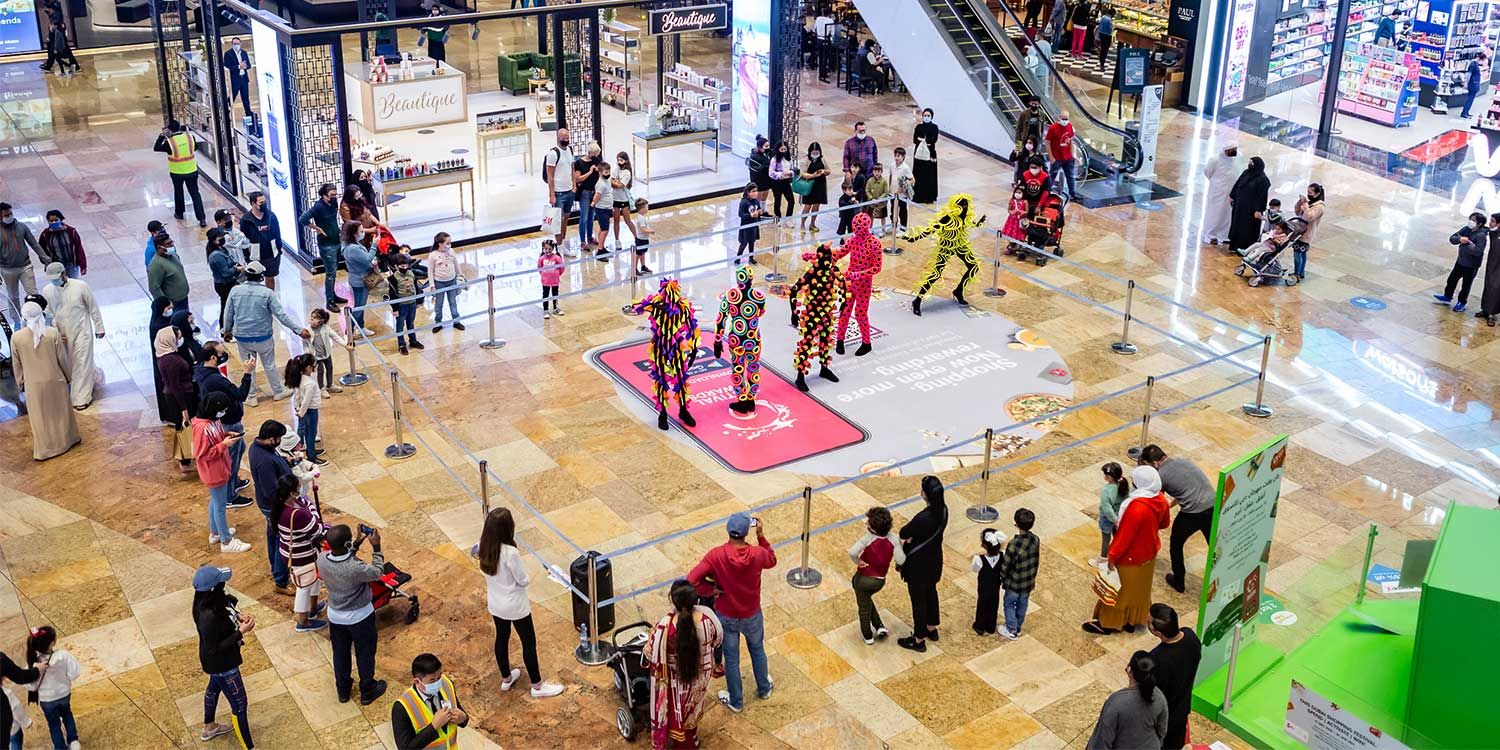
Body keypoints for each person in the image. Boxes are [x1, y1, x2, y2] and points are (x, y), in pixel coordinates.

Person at [686, 512, 775, 713]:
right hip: (752, 613)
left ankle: (736, 701)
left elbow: (691, 580)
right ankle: (764, 688)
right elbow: (772, 559)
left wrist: (710, 591)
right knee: (757, 650)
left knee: (732, 659)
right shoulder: (758, 554)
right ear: (747, 532)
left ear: (728, 531)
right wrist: (761, 535)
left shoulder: (716, 555)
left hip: (726, 614)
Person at [477, 508, 566, 699]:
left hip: (496, 603)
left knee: (502, 638)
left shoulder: (483, 547)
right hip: (515, 606)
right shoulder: (510, 553)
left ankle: (506, 679)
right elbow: (523, 580)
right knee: (528, 643)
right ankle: (537, 686)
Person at [1083, 465, 1171, 634]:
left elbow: (1124, 537)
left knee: (1119, 593)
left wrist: (1112, 557)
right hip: (1149, 553)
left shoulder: (1136, 507)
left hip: (1130, 557)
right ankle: (1132, 620)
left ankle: (1109, 623)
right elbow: (1165, 523)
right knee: (1139, 590)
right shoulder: (1160, 499)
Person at [646, 580, 722, 749]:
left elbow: (650, 653)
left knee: (677, 715)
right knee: (694, 709)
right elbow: (718, 640)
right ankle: (693, 737)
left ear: (673, 600)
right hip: (702, 675)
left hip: (676, 681)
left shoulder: (665, 626)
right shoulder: (708, 616)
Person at [317, 524, 388, 705]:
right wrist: (376, 547)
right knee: (364, 653)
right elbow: (377, 572)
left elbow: (343, 559)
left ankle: (343, 690)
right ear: (347, 543)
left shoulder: (322, 559)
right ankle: (367, 690)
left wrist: (356, 542)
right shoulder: (356, 568)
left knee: (340, 654)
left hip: (335, 615)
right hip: (359, 617)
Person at [222, 260, 311, 400]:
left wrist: (226, 330)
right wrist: (298, 330)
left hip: (242, 337)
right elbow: (281, 315)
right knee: (269, 365)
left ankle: (250, 397)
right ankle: (277, 391)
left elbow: (228, 313)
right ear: (261, 276)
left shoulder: (235, 291)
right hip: (263, 337)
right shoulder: (267, 293)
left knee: (248, 367)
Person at [191, 565, 256, 749]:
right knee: (240, 705)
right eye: (221, 582)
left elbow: (226, 604)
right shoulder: (207, 617)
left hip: (217, 664)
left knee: (214, 688)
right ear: (214, 589)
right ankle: (248, 747)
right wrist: (240, 632)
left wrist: (238, 615)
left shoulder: (208, 601)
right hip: (223, 664)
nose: (224, 584)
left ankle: (209, 727)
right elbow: (214, 649)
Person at [1136, 445, 1215, 594]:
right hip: (1213, 504)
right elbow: (1184, 488)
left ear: (1154, 463)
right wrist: (1171, 505)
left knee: (1176, 543)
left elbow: (1155, 501)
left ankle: (1178, 581)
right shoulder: (1183, 462)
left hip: (1193, 512)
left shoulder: (1160, 475)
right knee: (1214, 545)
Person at [11, 299, 81, 461]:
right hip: (56, 380)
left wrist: (21, 383)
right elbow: (62, 358)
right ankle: (68, 440)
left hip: (33, 385)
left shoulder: (17, 338)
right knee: (61, 413)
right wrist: (68, 376)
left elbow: (17, 364)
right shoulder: (52, 333)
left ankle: (45, 450)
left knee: (41, 418)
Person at [193, 341, 255, 499]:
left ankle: (233, 480)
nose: (224, 354)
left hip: (227, 420)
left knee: (240, 448)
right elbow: (241, 395)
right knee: (232, 457)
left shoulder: (203, 371)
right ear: (213, 357)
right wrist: (247, 373)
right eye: (221, 352)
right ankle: (230, 494)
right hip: (229, 422)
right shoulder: (215, 380)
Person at [39, 262, 103, 410]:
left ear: (63, 274)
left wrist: (99, 327)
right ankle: (90, 379)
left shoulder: (80, 286)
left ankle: (81, 398)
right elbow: (48, 313)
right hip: (62, 334)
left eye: (56, 277)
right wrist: (54, 332)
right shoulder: (48, 290)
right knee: (71, 364)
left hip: (82, 330)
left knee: (82, 361)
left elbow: (93, 307)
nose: (54, 281)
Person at [194, 391, 250, 553]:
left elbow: (215, 438)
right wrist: (223, 445)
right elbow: (202, 454)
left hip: (220, 468)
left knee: (215, 501)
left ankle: (216, 532)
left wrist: (225, 436)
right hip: (214, 472)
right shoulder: (202, 427)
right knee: (220, 506)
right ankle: (226, 541)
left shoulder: (212, 420)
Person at [271, 474, 328, 633]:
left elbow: (306, 504)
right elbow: (317, 528)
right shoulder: (296, 514)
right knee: (304, 586)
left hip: (299, 550)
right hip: (301, 555)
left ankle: (313, 607)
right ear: (291, 492)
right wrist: (312, 509)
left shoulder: (282, 504)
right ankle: (302, 621)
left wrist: (309, 508)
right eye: (297, 487)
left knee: (314, 579)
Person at [898, 476, 949, 652]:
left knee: (918, 601)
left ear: (925, 495)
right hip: (935, 561)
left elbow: (904, 532)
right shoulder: (944, 511)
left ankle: (918, 639)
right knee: (931, 591)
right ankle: (931, 627)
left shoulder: (923, 518)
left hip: (918, 565)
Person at [248, 420, 295, 595]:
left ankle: (276, 570)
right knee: (282, 541)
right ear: (270, 439)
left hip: (271, 504)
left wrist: (285, 462)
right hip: (274, 506)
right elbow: (271, 490)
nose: (281, 441)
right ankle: (281, 580)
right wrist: (288, 502)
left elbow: (275, 465)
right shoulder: (264, 461)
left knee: (273, 535)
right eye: (279, 438)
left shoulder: (259, 448)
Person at [1086, 651, 1169, 749]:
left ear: (1129, 670)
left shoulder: (1116, 702)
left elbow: (1102, 740)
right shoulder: (1159, 695)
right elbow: (1162, 730)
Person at [1147, 604, 1202, 750]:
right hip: (1182, 710)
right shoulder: (1191, 637)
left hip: (1163, 720)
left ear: (1157, 632)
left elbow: (1153, 695)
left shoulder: (1157, 659)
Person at [848, 506, 905, 644]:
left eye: (868, 522)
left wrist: (859, 561)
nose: (866, 523)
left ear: (873, 528)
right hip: (880, 581)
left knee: (863, 608)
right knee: (866, 599)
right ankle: (880, 626)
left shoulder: (868, 537)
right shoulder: (894, 539)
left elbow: (852, 552)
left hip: (863, 579)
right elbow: (901, 559)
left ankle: (867, 635)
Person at [393, 654, 470, 750]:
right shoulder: (402, 707)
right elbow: (405, 748)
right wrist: (433, 727)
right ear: (417, 681)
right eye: (432, 680)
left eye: (439, 676)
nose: (438, 683)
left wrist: (463, 718)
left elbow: (460, 712)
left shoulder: (447, 684)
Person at [155, 322, 198, 472]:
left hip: (178, 395)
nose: (179, 340)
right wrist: (184, 408)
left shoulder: (164, 354)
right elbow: (175, 386)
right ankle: (185, 461)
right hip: (180, 397)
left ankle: (186, 458)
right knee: (184, 428)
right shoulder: (171, 361)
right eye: (177, 338)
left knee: (184, 428)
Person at [299, 183, 346, 309]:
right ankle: (330, 300)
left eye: (335, 195)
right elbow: (303, 219)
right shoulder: (318, 207)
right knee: (330, 273)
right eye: (331, 195)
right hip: (326, 245)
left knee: (334, 271)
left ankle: (333, 294)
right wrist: (316, 228)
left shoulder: (334, 203)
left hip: (336, 240)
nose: (334, 197)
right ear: (324, 195)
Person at [154, 120, 207, 227]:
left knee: (178, 192)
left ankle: (179, 213)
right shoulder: (189, 137)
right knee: (195, 194)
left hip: (177, 172)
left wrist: (162, 135)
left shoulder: (170, 142)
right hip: (192, 170)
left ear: (169, 129)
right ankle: (201, 218)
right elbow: (195, 147)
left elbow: (156, 148)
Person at [1437, 214, 1491, 312]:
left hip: (1471, 266)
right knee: (1452, 279)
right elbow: (1452, 238)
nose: (1470, 221)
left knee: (1466, 285)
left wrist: (1467, 243)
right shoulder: (1466, 229)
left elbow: (1478, 251)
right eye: (1470, 219)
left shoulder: (1481, 236)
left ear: (1479, 224)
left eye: (1473, 220)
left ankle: (1462, 302)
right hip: (1460, 261)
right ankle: (1447, 296)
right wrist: (1459, 239)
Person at [0, 202, 46, 319]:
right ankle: (16, 320)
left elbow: (34, 244)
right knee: (13, 296)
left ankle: (36, 316)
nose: (9, 217)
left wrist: (46, 259)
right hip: (7, 269)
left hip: (25, 266)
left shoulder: (21, 227)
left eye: (10, 214)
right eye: (6, 215)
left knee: (33, 293)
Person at [1000, 507, 1040, 639]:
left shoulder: (1014, 544)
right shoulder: (1035, 539)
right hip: (1028, 581)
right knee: (1023, 604)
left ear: (1016, 524)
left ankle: (1011, 629)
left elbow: (1006, 565)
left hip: (1014, 583)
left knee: (1009, 604)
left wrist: (1002, 577)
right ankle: (1018, 626)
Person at [543, 129, 578, 254]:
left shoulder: (570, 150)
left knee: (566, 218)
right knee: (558, 220)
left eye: (567, 138)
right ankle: (559, 245)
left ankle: (562, 242)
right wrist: (551, 194)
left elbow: (572, 168)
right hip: (558, 193)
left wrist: (574, 185)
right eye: (563, 138)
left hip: (569, 191)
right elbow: (550, 176)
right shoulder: (553, 154)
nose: (566, 140)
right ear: (558, 138)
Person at [286, 353, 324, 467]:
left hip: (306, 411)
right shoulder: (310, 384)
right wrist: (301, 413)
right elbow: (306, 401)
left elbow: (298, 396)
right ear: (308, 367)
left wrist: (298, 409)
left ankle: (311, 450)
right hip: (311, 411)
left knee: (309, 432)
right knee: (311, 433)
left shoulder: (300, 378)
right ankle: (311, 456)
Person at [1227, 156, 1270, 254]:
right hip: (1239, 206)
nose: (1250, 165)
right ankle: (1235, 246)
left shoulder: (1263, 180)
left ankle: (1246, 249)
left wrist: (1259, 210)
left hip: (1251, 210)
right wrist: (1232, 195)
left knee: (1247, 228)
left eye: (1252, 163)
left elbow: (1263, 197)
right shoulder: (1246, 173)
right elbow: (1238, 184)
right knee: (1237, 225)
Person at [239, 192, 283, 290]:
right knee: (253, 279)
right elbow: (243, 240)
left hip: (271, 254)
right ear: (253, 203)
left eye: (264, 202)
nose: (264, 204)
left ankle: (270, 297)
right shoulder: (246, 220)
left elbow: (277, 234)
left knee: (270, 277)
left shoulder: (271, 216)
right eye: (260, 203)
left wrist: (279, 249)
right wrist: (246, 256)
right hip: (255, 255)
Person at [307, 308, 351, 397]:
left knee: (329, 368)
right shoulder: (308, 330)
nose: (311, 319)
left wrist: (345, 345)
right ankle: (321, 388)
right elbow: (305, 344)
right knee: (320, 371)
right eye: (311, 317)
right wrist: (308, 356)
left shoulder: (326, 328)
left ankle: (330, 385)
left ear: (321, 321)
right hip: (316, 357)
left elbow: (335, 337)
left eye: (314, 318)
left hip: (326, 354)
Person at [1201, 144, 1238, 245]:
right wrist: (1216, 182)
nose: (1234, 151)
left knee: (1227, 214)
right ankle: (1210, 235)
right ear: (1227, 150)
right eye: (1232, 150)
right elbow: (1207, 172)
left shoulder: (1235, 159)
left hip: (1230, 192)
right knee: (1215, 213)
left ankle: (1224, 235)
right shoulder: (1215, 159)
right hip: (1217, 191)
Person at [341, 222, 374, 335]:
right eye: (361, 231)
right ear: (354, 233)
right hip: (360, 281)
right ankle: (349, 331)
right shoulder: (353, 248)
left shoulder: (348, 245)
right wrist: (374, 245)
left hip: (357, 278)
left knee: (359, 305)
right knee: (359, 307)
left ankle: (361, 326)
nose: (363, 233)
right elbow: (367, 259)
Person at [971, 528, 1006, 637]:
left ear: (984, 545)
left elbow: (975, 569)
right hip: (995, 586)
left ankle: (980, 626)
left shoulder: (979, 559)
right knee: (993, 605)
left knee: (982, 604)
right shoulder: (1003, 556)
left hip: (984, 587)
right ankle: (991, 626)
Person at [386, 253, 422, 354]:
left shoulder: (411, 273)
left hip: (412, 303)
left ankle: (413, 340)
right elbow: (392, 294)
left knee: (411, 323)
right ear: (397, 266)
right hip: (402, 305)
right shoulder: (393, 278)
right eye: (402, 266)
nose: (405, 268)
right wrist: (395, 309)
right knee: (400, 325)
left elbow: (416, 286)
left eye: (406, 265)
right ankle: (401, 344)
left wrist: (419, 300)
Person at [1093, 462, 1128, 566]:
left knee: (1106, 538)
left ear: (1109, 477)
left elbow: (1107, 508)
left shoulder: (1106, 490)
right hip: (1120, 517)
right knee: (1117, 538)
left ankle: (1103, 558)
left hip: (1108, 519)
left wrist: (1114, 519)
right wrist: (1118, 520)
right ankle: (1117, 556)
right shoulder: (1124, 486)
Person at [207, 229, 242, 329]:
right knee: (226, 308)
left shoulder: (221, 249)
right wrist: (237, 269)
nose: (223, 239)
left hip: (229, 283)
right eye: (220, 237)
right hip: (224, 285)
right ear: (214, 240)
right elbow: (225, 273)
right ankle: (225, 329)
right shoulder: (216, 255)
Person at [147, 232, 190, 313]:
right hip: (173, 304)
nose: (172, 245)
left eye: (172, 242)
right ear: (159, 247)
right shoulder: (156, 265)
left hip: (183, 298)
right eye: (168, 244)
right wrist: (166, 304)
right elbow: (154, 288)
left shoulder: (173, 255)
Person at [37, 210, 84, 279]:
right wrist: (46, 261)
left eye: (56, 220)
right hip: (56, 265)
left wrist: (83, 265)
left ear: (61, 219)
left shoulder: (71, 231)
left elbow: (78, 248)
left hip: (71, 264)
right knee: (60, 286)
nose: (54, 222)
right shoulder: (45, 234)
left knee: (72, 284)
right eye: (51, 221)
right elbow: (41, 249)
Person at [1292, 182, 1324, 279]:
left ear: (1317, 194)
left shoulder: (1319, 207)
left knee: (1298, 253)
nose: (1308, 195)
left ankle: (1297, 273)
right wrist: (1299, 204)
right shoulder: (1310, 203)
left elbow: (1309, 217)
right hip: (1300, 231)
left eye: (1310, 193)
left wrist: (1305, 206)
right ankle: (1301, 272)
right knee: (1302, 253)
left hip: (1306, 233)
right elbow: (1298, 213)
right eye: (1307, 192)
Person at [799, 141, 831, 231]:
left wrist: (824, 172)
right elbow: (802, 174)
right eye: (813, 153)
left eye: (817, 153)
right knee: (807, 206)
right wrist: (813, 175)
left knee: (816, 206)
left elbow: (828, 170)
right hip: (809, 185)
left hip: (820, 185)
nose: (815, 154)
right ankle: (802, 224)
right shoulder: (806, 160)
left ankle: (812, 224)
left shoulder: (822, 159)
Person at [611, 152, 640, 250]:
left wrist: (615, 183)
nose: (619, 162)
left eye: (621, 160)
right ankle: (617, 240)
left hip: (624, 200)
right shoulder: (615, 170)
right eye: (618, 160)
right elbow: (611, 181)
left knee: (628, 220)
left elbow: (620, 185)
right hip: (615, 199)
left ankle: (637, 238)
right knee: (616, 221)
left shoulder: (627, 173)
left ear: (626, 161)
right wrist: (615, 182)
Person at [1044, 110, 1076, 198]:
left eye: (1066, 119)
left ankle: (1073, 194)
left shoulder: (1070, 126)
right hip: (1057, 158)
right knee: (1052, 177)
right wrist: (1051, 157)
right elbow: (1047, 142)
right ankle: (1046, 194)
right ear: (1059, 118)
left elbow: (1071, 141)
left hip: (1068, 158)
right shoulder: (1053, 128)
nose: (1064, 121)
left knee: (1070, 176)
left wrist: (1072, 155)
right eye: (1063, 119)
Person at [911, 109, 939, 205]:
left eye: (928, 115)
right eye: (925, 115)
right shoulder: (919, 127)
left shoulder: (934, 127)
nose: (926, 117)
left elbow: (934, 139)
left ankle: (928, 197)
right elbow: (915, 139)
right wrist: (924, 140)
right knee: (918, 175)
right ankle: (917, 195)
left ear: (931, 116)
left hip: (930, 154)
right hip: (919, 154)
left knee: (929, 175)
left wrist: (924, 140)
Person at [222, 36, 253, 116]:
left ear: (240, 43)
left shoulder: (244, 53)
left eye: (237, 43)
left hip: (244, 79)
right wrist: (239, 66)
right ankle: (225, 111)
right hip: (235, 80)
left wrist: (245, 66)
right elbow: (227, 67)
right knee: (232, 97)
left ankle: (248, 113)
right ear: (232, 44)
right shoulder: (228, 54)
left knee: (245, 98)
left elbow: (249, 65)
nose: (236, 45)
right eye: (234, 44)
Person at [736, 184, 764, 265]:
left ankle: (751, 258)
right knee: (744, 243)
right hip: (746, 226)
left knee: (752, 242)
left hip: (754, 226)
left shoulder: (756, 201)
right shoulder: (744, 202)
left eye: (756, 191)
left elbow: (758, 209)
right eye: (753, 191)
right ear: (748, 192)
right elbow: (740, 214)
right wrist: (750, 215)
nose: (756, 193)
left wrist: (759, 212)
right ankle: (738, 258)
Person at [1480, 212, 1500, 326]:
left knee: (1495, 288)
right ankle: (1485, 309)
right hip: (1492, 263)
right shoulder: (1493, 232)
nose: (1490, 223)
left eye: (1492, 221)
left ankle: (1492, 313)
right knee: (1488, 285)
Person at [767, 141, 796, 219]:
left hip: (786, 181)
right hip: (777, 183)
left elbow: (792, 169)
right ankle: (778, 217)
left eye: (785, 149)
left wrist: (791, 173)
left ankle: (788, 218)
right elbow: (771, 173)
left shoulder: (788, 158)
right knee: (778, 200)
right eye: (781, 149)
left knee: (791, 201)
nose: (783, 151)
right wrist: (781, 174)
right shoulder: (774, 159)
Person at [537, 239, 564, 319]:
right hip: (545, 281)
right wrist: (543, 275)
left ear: (553, 248)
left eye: (549, 249)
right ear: (543, 249)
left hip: (555, 281)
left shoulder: (556, 258)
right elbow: (539, 267)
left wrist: (557, 274)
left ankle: (555, 308)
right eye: (546, 249)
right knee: (545, 295)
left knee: (555, 294)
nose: (547, 251)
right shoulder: (541, 258)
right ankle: (545, 309)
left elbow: (561, 267)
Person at [891, 147, 913, 232]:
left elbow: (912, 179)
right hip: (893, 193)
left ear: (903, 157)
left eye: (898, 156)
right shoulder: (892, 165)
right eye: (895, 155)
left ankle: (903, 229)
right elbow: (891, 176)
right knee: (893, 211)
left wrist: (904, 187)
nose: (896, 158)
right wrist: (890, 188)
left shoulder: (905, 168)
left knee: (902, 212)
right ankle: (894, 226)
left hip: (902, 195)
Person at [865, 163, 890, 233]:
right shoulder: (870, 181)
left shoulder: (884, 181)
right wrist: (871, 198)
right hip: (872, 203)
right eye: (875, 171)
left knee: (883, 217)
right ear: (873, 172)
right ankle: (870, 230)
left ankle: (883, 230)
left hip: (882, 204)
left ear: (881, 172)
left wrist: (879, 199)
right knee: (871, 217)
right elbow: (867, 190)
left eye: (878, 171)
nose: (877, 173)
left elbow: (886, 192)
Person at [1460, 51, 1486, 119]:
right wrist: (1466, 83)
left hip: (1475, 83)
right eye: (1482, 60)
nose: (1482, 62)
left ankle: (1466, 112)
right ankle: (1464, 113)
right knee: (1469, 99)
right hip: (1472, 84)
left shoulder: (1475, 64)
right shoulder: (1472, 64)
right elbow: (1469, 74)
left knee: (1471, 99)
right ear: (1479, 58)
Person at [746, 135, 773, 199]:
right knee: (759, 196)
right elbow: (757, 169)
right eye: (766, 146)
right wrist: (767, 164)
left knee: (765, 195)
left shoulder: (768, 153)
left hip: (766, 179)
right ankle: (758, 208)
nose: (768, 148)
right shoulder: (754, 156)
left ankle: (763, 208)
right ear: (760, 147)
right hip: (758, 180)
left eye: (768, 146)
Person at [634, 198, 654, 274]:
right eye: (646, 207)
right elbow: (643, 229)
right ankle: (634, 269)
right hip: (641, 239)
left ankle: (643, 266)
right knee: (638, 254)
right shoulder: (641, 218)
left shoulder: (641, 217)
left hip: (644, 239)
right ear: (642, 209)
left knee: (642, 253)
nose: (647, 208)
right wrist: (651, 231)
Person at [1095, 6, 1114, 70]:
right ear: (1112, 14)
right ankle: (1102, 64)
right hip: (1107, 36)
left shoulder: (1103, 17)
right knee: (1105, 50)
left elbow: (1100, 25)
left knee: (1102, 49)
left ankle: (1101, 62)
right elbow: (1110, 29)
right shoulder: (1109, 20)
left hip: (1101, 34)